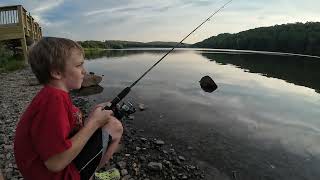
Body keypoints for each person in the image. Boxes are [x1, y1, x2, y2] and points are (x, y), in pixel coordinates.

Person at [13, 37, 123, 180]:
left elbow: (67, 128)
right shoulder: (53, 100)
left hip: (47, 170)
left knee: (102, 120)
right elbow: (55, 163)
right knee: (114, 127)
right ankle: (89, 175)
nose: (84, 71)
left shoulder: (53, 94)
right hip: (57, 175)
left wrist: (93, 116)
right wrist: (94, 123)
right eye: (79, 66)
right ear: (57, 72)